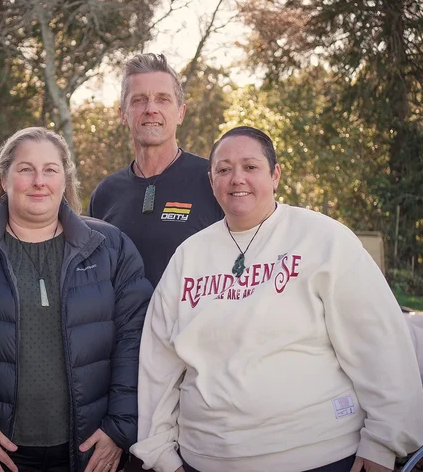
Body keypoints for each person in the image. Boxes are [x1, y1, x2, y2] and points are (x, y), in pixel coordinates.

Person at [131, 126, 423, 472]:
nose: (236, 178)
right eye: (223, 170)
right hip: (204, 458)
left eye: (250, 167)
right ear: (212, 182)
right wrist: (161, 454)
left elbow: (379, 341)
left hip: (320, 456)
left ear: (275, 175)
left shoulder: (323, 239)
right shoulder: (188, 257)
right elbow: (158, 363)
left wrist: (383, 442)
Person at [0, 126, 152, 472]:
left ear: (65, 180)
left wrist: (119, 429)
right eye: (25, 169)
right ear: (4, 179)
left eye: (50, 170)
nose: (38, 181)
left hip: (88, 450)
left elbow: (134, 343)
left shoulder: (111, 248)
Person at [88, 53, 223, 288]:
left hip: (190, 324)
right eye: (139, 100)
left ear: (180, 113)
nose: (151, 109)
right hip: (125, 326)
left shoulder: (212, 181)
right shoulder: (105, 194)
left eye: (162, 99)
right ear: (123, 114)